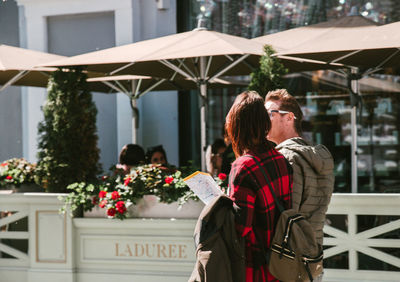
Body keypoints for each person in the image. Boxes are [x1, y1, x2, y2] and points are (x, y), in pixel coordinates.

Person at [265, 89, 334, 281]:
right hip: (313, 254)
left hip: (290, 259)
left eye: (270, 114)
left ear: (289, 118)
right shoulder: (316, 156)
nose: (264, 120)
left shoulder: (288, 157)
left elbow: (286, 214)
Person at [225, 90, 293, 282]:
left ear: (237, 126)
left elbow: (241, 227)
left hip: (255, 266)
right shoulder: (280, 159)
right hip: (280, 263)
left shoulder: (243, 167)